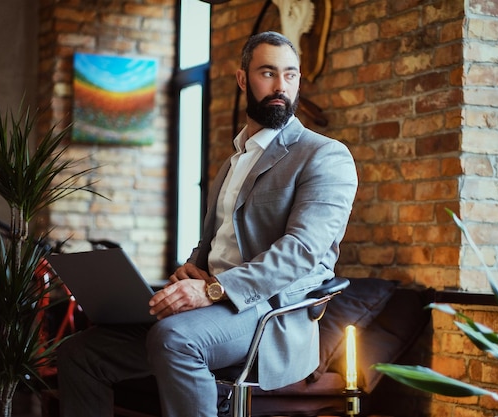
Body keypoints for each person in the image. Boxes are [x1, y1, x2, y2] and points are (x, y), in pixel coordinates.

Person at [57, 31, 358, 417]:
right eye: (268, 72)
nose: (281, 85)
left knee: (174, 339)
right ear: (242, 79)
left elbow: (300, 253)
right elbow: (214, 243)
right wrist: (190, 270)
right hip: (208, 304)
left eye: (291, 74)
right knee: (80, 352)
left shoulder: (324, 156)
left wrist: (213, 290)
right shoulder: (233, 161)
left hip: (266, 310)